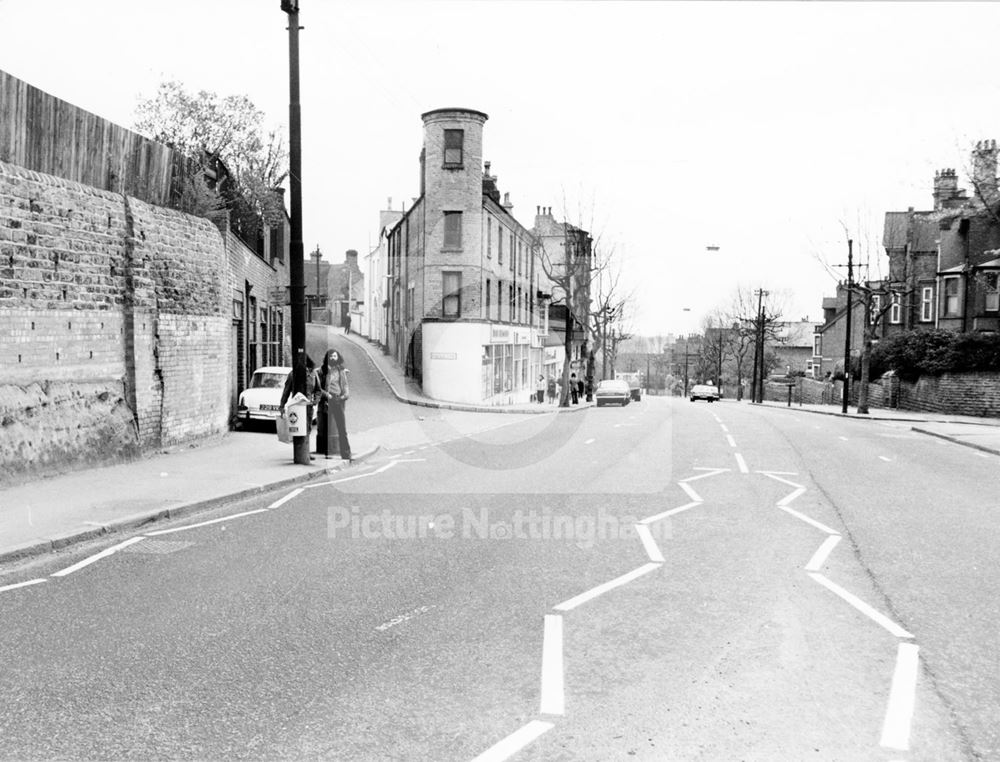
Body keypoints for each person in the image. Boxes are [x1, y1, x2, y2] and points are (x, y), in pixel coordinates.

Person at [317, 348, 351, 460]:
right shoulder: (322, 371)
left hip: (337, 400)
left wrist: (344, 396)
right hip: (327, 400)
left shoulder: (341, 371)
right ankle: (327, 453)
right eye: (330, 356)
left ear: (338, 357)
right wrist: (326, 395)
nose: (332, 358)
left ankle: (346, 454)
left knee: (342, 428)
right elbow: (319, 387)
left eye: (335, 356)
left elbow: (345, 385)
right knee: (326, 427)